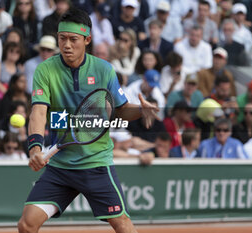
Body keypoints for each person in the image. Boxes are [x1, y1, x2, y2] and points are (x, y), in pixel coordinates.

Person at [18, 8, 158, 233]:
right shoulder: (45, 70)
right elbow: (38, 112)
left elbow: (121, 111)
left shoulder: (104, 70)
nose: (66, 45)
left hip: (96, 164)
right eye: (62, 38)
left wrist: (141, 110)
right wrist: (35, 147)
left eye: (73, 39)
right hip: (60, 167)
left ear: (87, 40)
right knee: (27, 224)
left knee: (123, 225)